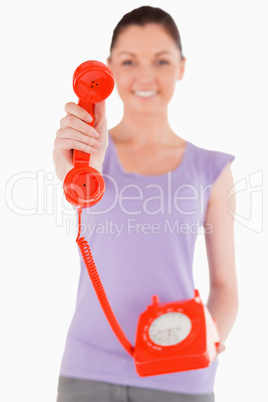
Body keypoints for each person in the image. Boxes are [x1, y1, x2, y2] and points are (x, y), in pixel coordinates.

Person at [53, 6, 238, 402]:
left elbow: (225, 286)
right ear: (109, 69)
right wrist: (81, 166)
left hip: (180, 374)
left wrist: (207, 346)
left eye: (161, 60)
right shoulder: (88, 158)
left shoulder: (212, 169)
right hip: (87, 370)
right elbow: (81, 206)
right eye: (129, 60)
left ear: (182, 67)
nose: (145, 75)